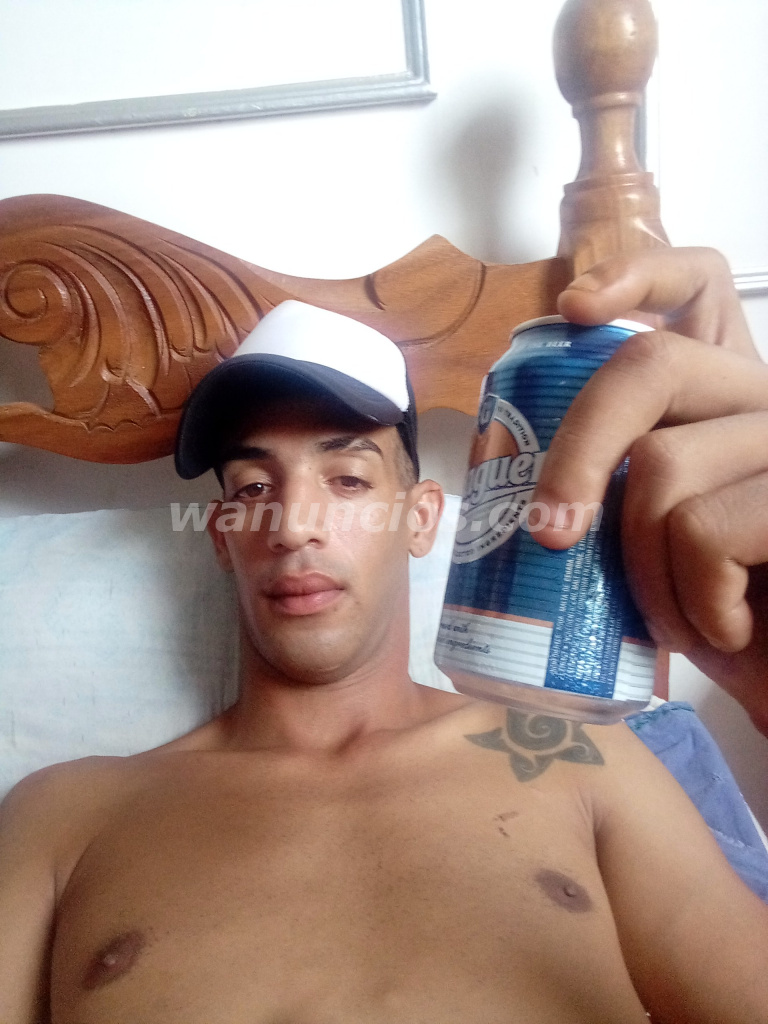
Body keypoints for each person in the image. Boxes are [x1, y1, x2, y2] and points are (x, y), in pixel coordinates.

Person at [1, 246, 767, 1024]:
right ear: (222, 536)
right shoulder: (67, 814)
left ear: (422, 518)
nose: (293, 527)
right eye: (254, 488)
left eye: (348, 480)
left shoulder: (587, 762)